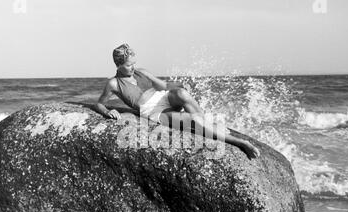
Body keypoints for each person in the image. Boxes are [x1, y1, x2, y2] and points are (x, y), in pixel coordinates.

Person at [96, 43, 260, 159]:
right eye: (129, 65)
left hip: (162, 97)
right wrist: (108, 111)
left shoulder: (141, 72)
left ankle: (208, 123)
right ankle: (239, 142)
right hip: (152, 111)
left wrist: (181, 84)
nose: (133, 68)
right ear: (118, 65)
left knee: (181, 93)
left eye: (134, 64)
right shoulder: (113, 83)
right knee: (191, 120)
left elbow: (164, 85)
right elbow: (99, 103)